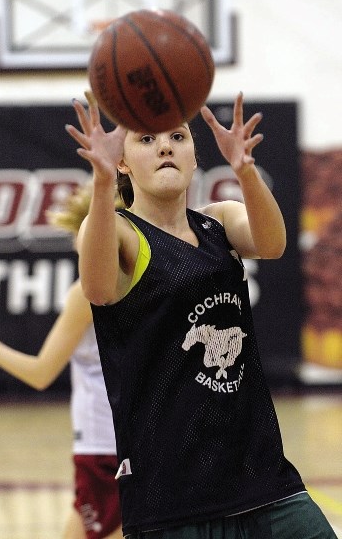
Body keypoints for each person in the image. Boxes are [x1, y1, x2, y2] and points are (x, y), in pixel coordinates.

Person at [65, 90, 337, 538]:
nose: (166, 146)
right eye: (147, 140)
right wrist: (99, 182)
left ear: (194, 158)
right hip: (170, 495)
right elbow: (96, 287)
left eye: (177, 136)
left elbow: (272, 244)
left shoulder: (220, 222)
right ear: (124, 163)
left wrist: (245, 171)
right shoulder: (118, 231)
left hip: (260, 476)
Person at [0, 183, 123, 539]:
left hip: (103, 446)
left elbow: (41, 373)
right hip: (146, 439)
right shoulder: (147, 277)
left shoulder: (86, 293)